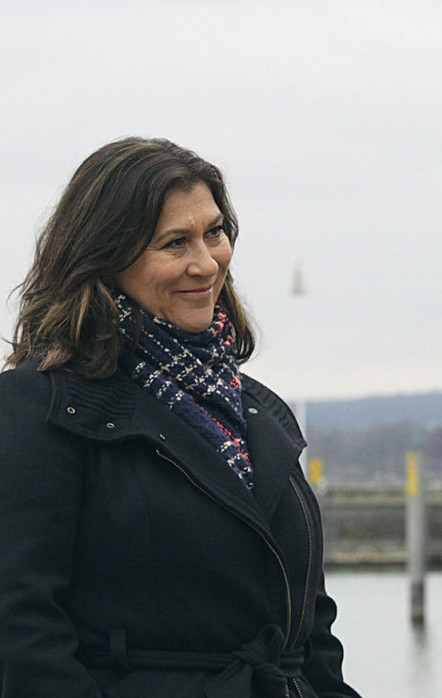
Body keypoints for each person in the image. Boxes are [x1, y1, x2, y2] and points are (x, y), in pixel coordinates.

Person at [0, 137, 361, 697]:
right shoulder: (38, 409)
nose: (205, 262)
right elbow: (21, 632)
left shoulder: (257, 412)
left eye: (214, 232)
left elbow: (310, 628)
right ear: (106, 257)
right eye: (174, 243)